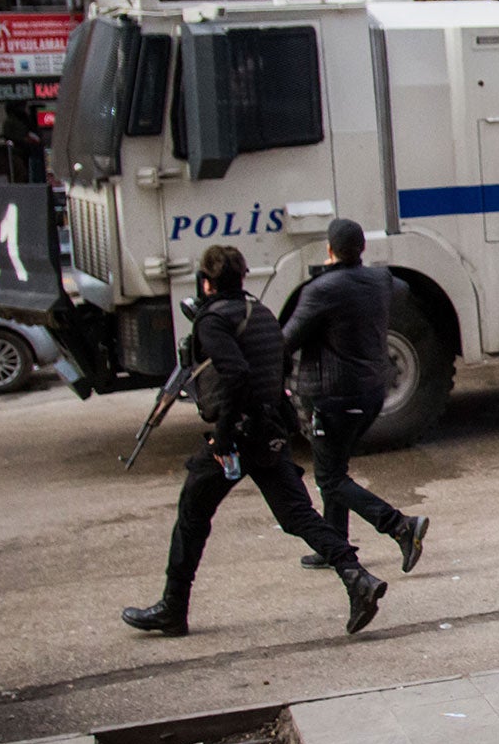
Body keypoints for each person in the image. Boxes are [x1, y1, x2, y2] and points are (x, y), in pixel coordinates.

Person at [121, 245, 386, 637]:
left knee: (192, 517)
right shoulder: (259, 313)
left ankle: (173, 608)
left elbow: (236, 376)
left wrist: (224, 439)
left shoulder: (212, 322)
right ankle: (356, 576)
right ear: (243, 277)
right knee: (298, 516)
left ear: (207, 282)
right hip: (268, 433)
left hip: (239, 434)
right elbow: (280, 365)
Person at [283, 219, 428, 574]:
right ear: (361, 249)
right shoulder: (380, 281)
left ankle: (399, 526)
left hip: (334, 396)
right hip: (372, 392)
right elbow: (403, 288)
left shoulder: (322, 289)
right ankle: (335, 545)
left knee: (330, 477)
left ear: (330, 250)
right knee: (336, 468)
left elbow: (286, 340)